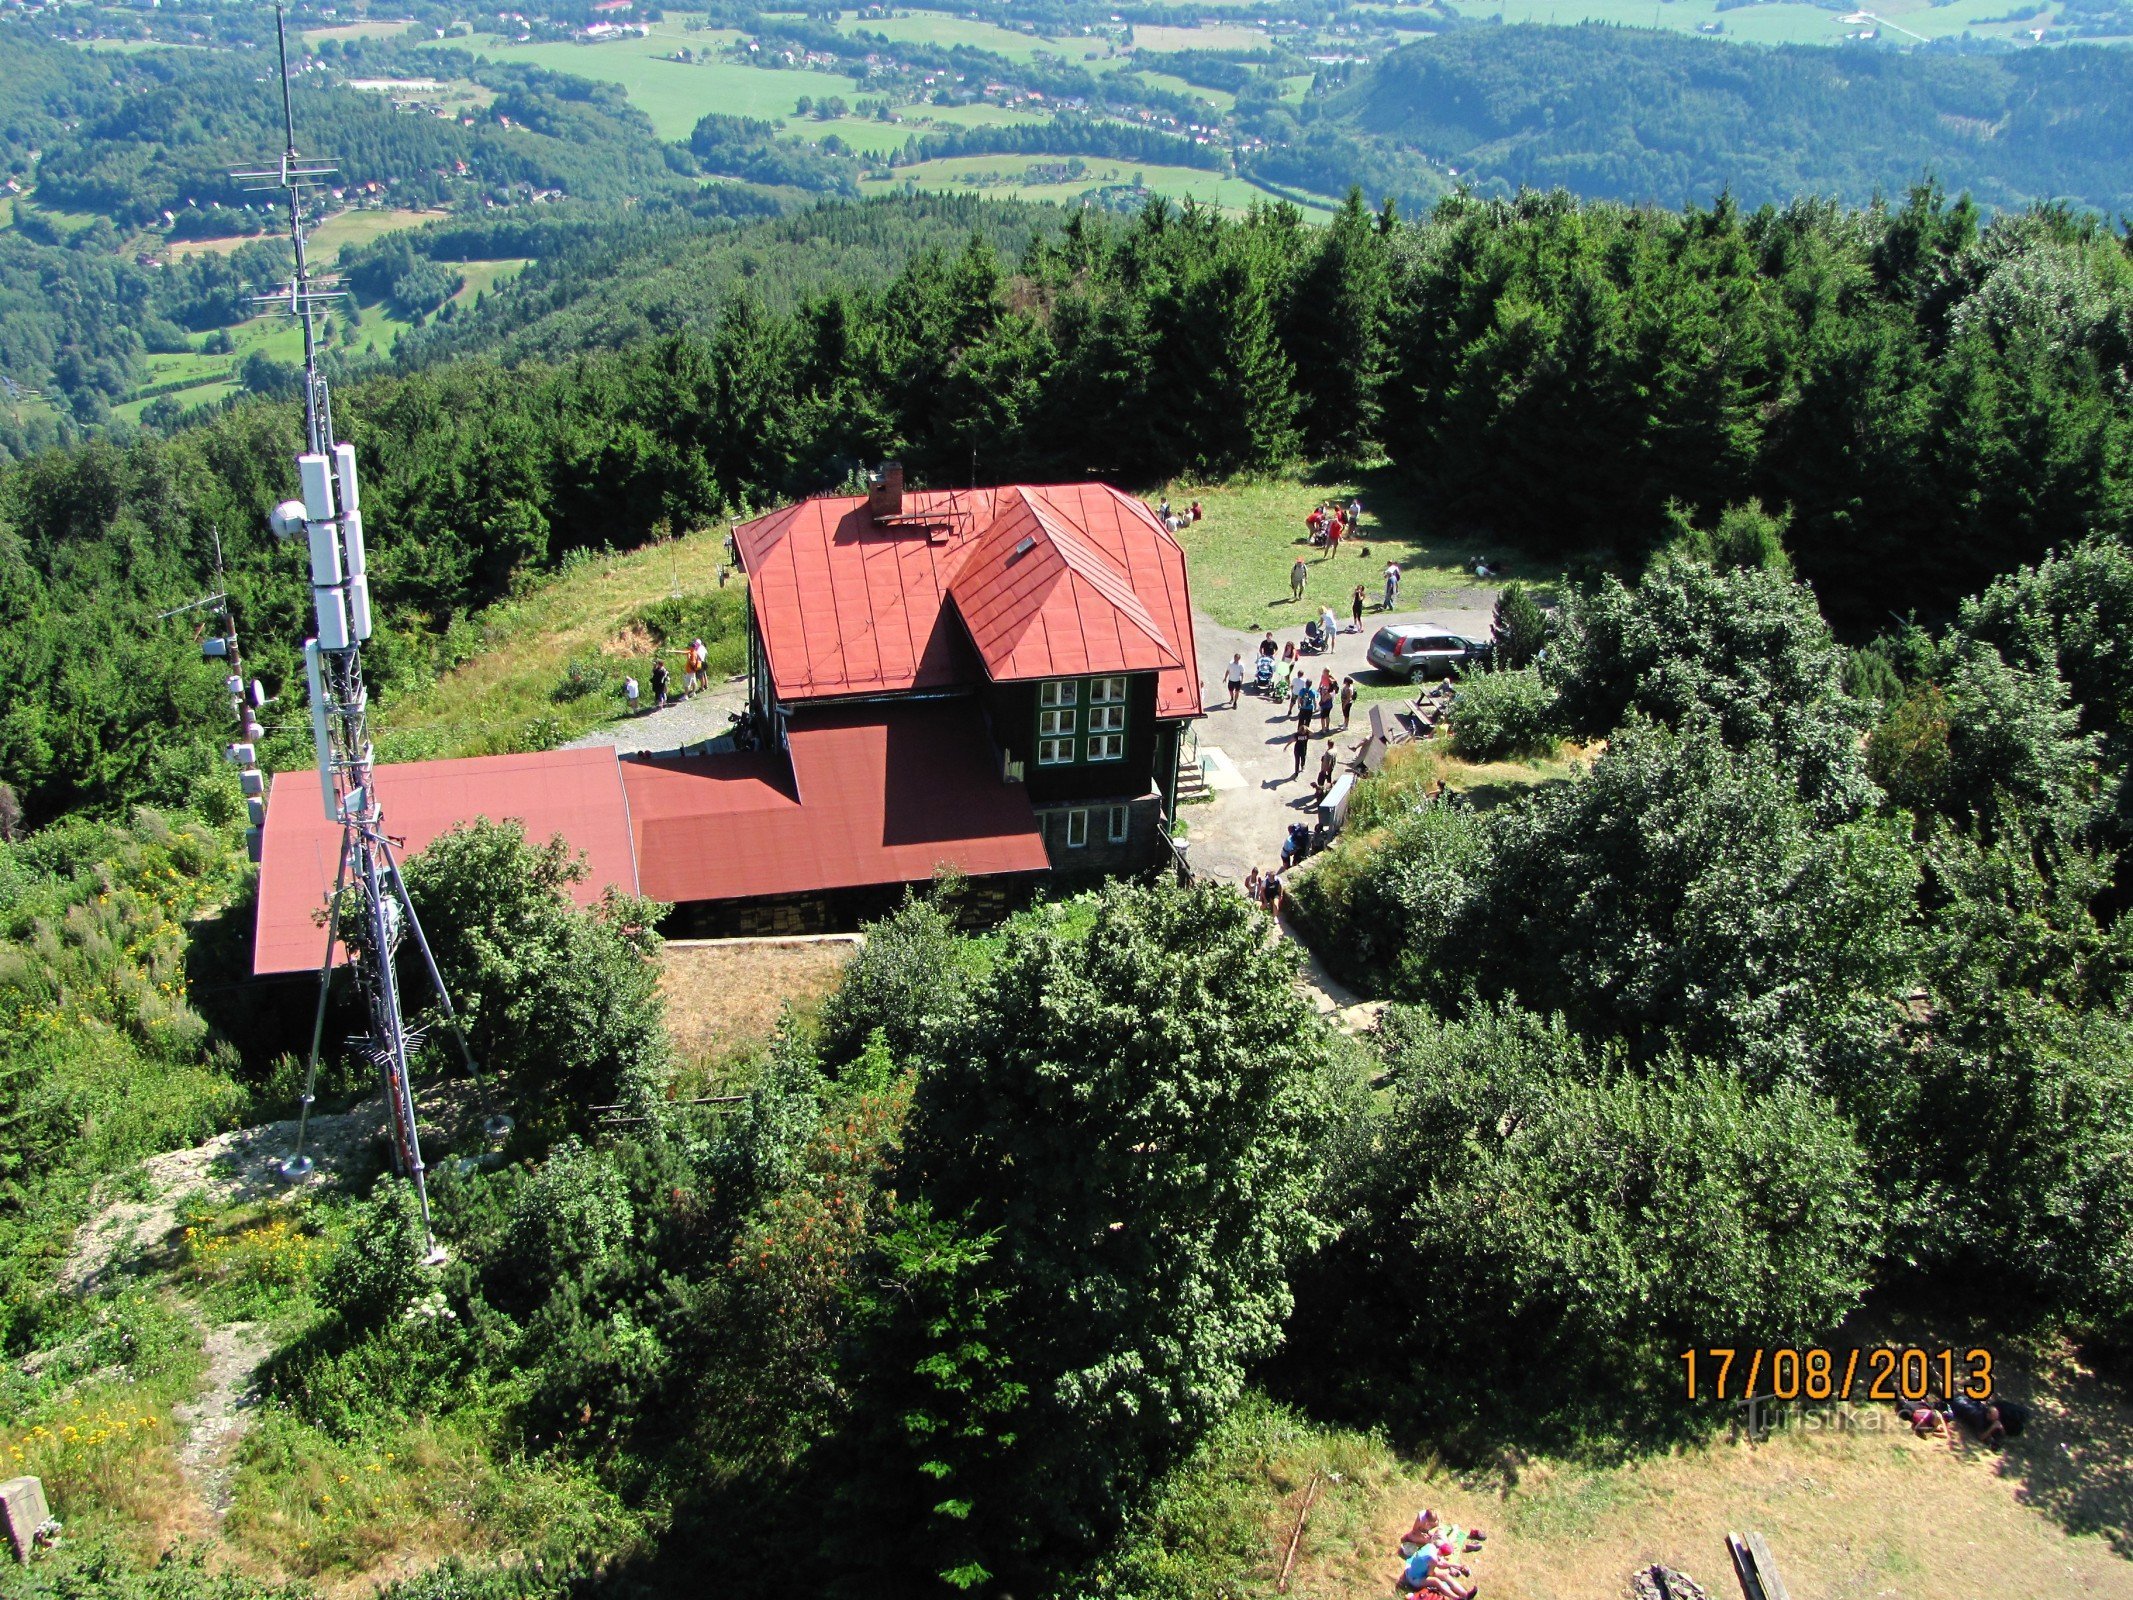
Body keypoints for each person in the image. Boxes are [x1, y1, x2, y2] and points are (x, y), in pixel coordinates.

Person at [1400, 1543, 1475, 1600]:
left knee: (1445, 1576)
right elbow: (1431, 1573)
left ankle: (1465, 1594)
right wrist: (1444, 1571)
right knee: (1436, 1582)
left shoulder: (1431, 1546)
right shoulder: (1433, 1559)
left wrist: (1457, 1566)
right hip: (1414, 1579)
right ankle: (1457, 1598)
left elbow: (1440, 1564)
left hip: (1413, 1570)